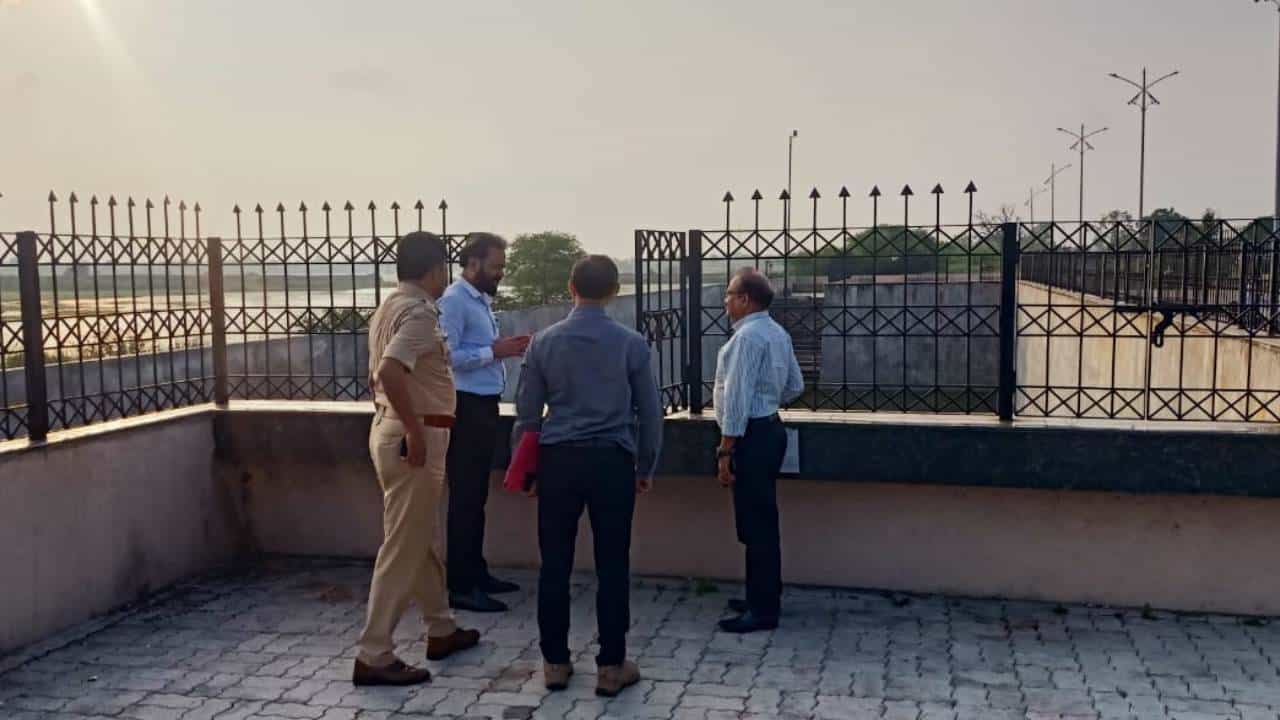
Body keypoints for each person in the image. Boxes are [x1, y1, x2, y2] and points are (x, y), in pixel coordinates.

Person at [513, 255, 663, 697]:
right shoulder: (631, 343)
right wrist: (645, 465)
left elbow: (527, 415)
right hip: (612, 461)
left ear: (571, 287)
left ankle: (555, 663)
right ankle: (611, 666)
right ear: (614, 291)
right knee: (613, 564)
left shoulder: (543, 343)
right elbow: (650, 413)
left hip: (558, 460)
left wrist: (528, 471)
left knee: (554, 564)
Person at [353, 231, 481, 686]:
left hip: (393, 428)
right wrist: (412, 429)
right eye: (445, 268)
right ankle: (374, 653)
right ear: (435, 270)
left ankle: (440, 628)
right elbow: (390, 369)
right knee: (403, 545)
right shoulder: (421, 314)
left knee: (418, 534)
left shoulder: (390, 305)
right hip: (416, 436)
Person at [438, 232, 530, 613]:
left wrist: (501, 349)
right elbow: (447, 357)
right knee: (465, 497)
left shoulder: (478, 301)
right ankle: (460, 585)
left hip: (482, 405)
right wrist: (494, 351)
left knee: (476, 496)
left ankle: (476, 573)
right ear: (472, 263)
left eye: (502, 267)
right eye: (495, 266)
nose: (500, 273)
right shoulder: (454, 301)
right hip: (465, 407)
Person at [712, 268, 804, 635]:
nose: (726, 301)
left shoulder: (748, 338)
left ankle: (762, 610)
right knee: (762, 519)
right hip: (769, 430)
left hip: (749, 436)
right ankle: (763, 594)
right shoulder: (777, 333)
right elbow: (795, 385)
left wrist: (725, 451)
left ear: (745, 299)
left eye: (730, 294)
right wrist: (768, 400)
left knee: (756, 524)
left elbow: (736, 400)